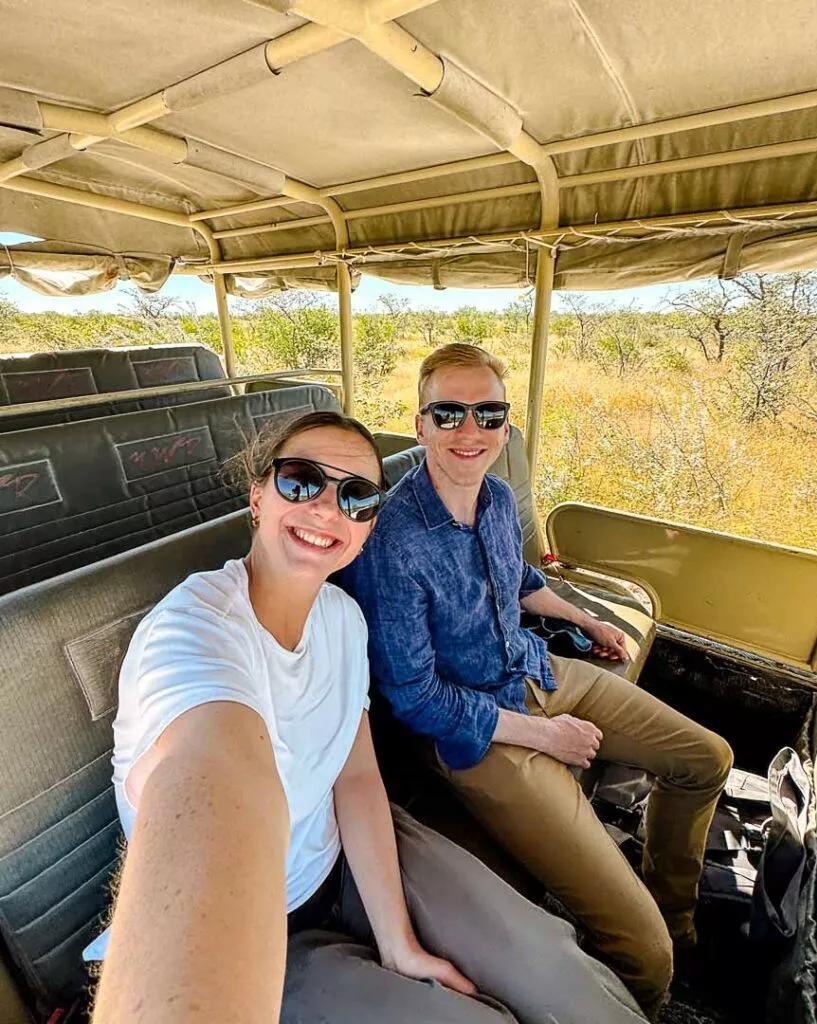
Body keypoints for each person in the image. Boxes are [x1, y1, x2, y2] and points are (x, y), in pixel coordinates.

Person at [89, 409, 646, 1024]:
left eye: (356, 497)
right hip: (256, 929)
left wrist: (398, 942)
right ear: (257, 496)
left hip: (351, 860)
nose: (328, 508)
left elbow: (354, 776)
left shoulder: (342, 618)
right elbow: (213, 778)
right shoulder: (194, 633)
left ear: (368, 526)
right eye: (301, 480)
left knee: (563, 982)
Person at [343, 344, 735, 1019]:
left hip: (538, 670)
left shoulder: (495, 498)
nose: (471, 430)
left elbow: (518, 580)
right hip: (477, 733)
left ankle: (672, 912)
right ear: (420, 424)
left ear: (505, 424)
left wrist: (584, 617)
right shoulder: (392, 543)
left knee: (706, 759)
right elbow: (414, 698)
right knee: (645, 956)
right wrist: (544, 736)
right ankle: (644, 985)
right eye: (449, 413)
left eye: (489, 414)